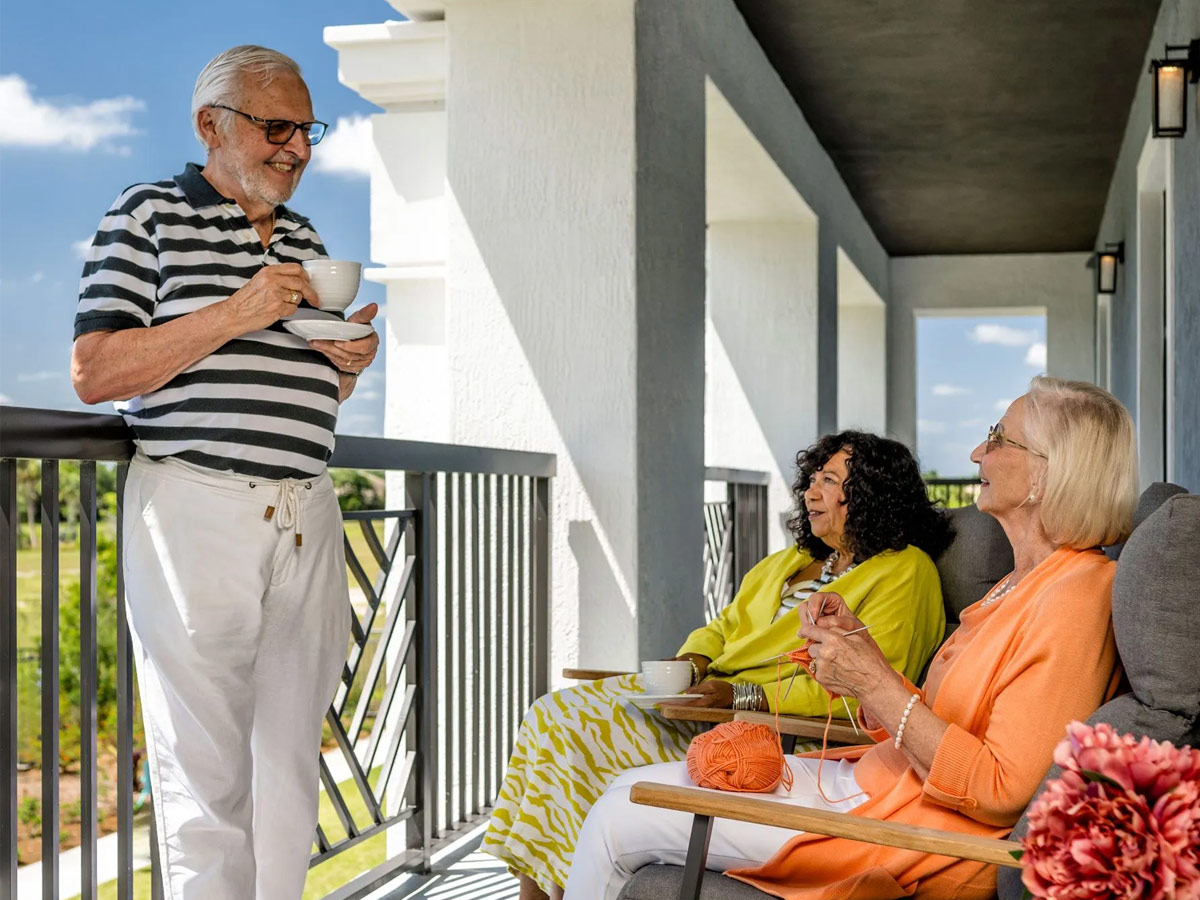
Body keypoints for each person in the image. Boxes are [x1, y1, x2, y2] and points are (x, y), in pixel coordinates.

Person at [564, 376, 1138, 900]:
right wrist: (855, 657)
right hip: (870, 783)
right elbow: (927, 714)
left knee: (618, 820)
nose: (975, 453)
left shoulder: (1076, 595)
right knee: (621, 788)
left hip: (903, 826)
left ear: (1044, 473)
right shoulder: (1019, 584)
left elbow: (999, 787)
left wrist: (873, 678)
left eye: (998, 438)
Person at [70, 46, 379, 900]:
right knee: (202, 774)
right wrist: (238, 311)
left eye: (306, 130)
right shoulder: (148, 214)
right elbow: (96, 371)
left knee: (289, 765)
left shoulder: (305, 237)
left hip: (306, 511)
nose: (298, 148)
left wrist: (349, 361)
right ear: (212, 124)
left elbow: (298, 380)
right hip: (196, 505)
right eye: (276, 126)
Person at [486, 431, 953, 899]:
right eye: (812, 478)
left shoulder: (905, 571)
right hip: (706, 700)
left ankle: (561, 888)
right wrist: (694, 660)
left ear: (871, 494)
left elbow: (870, 686)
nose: (810, 491)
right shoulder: (793, 561)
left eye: (829, 480)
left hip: (774, 727)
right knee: (551, 711)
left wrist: (742, 695)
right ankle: (554, 887)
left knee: (571, 724)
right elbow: (725, 625)